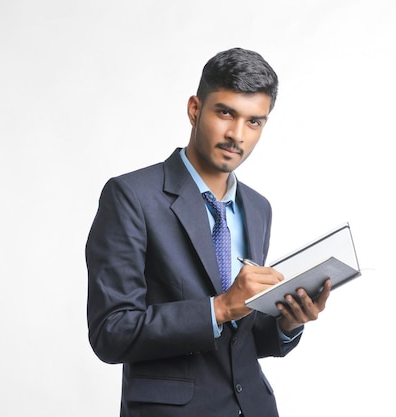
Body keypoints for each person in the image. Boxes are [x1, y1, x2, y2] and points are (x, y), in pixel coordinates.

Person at [86, 47, 332, 417]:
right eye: (226, 113)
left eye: (254, 122)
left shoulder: (258, 207)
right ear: (195, 109)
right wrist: (217, 309)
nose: (237, 134)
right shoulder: (131, 196)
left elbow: (239, 338)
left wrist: (286, 322)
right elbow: (111, 332)